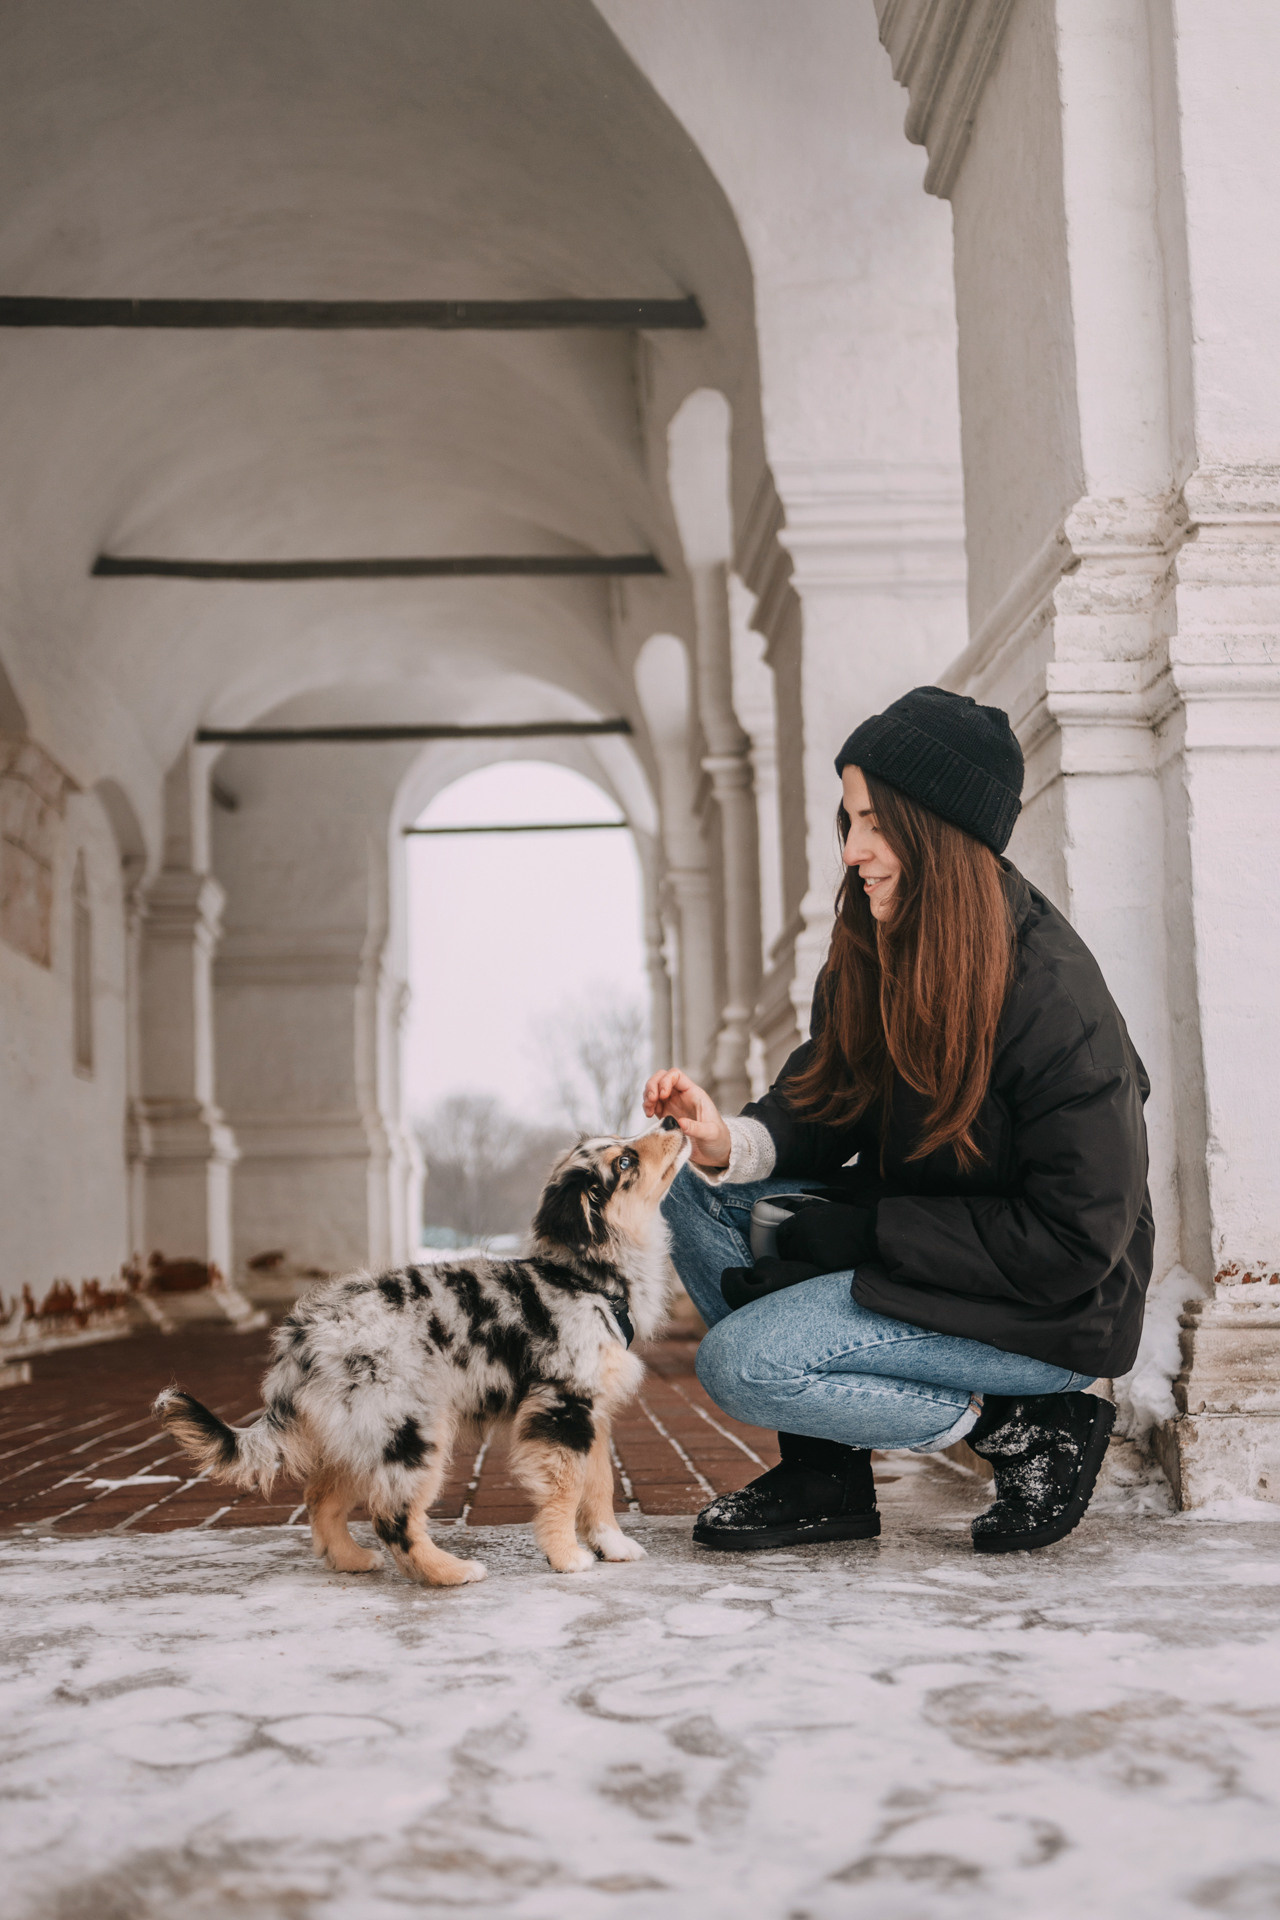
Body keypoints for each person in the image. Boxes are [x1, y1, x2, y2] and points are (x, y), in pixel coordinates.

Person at [645, 686, 1152, 1556]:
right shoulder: (877, 942)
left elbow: (1074, 1243)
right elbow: (829, 1093)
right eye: (849, 821)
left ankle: (1027, 1426)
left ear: (938, 831)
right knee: (692, 1190)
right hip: (936, 1256)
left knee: (743, 1364)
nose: (852, 851)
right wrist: (728, 1141)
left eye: (875, 824)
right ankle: (824, 1478)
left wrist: (870, 1235)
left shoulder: (1052, 998)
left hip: (1045, 1311)